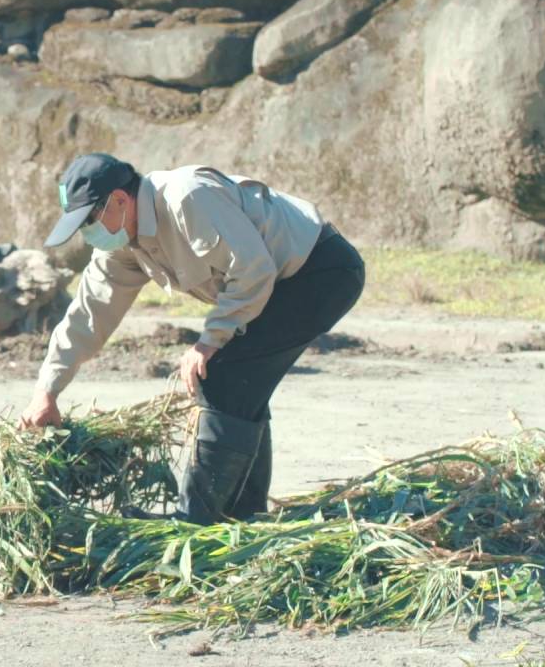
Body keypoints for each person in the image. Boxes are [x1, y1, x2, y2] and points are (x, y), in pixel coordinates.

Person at [18, 153, 366, 525]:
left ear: (119, 200)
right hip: (274, 285)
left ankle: (197, 518)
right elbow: (89, 313)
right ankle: (241, 515)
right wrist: (47, 391)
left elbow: (253, 270)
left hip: (320, 272)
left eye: (90, 219)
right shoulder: (122, 245)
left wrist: (209, 341)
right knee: (239, 386)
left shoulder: (187, 198)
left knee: (222, 376)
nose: (88, 232)